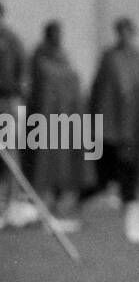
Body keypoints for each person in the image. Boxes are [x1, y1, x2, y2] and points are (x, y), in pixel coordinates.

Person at [81, 18, 139, 241]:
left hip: (132, 127)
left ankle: (129, 202)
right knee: (106, 166)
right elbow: (101, 90)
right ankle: (91, 197)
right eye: (120, 31)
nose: (124, 35)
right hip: (111, 125)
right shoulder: (109, 58)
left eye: (128, 31)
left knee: (129, 167)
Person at [20, 21, 84, 229]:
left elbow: (72, 81)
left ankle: (58, 202)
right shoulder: (39, 57)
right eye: (54, 33)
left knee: (62, 165)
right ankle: (40, 203)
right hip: (42, 121)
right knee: (41, 163)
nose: (58, 36)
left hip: (63, 120)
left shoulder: (62, 56)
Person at [0, 1, 26, 220]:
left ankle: (10, 203)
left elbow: (22, 75)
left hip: (5, 103)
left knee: (8, 153)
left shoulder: (11, 40)